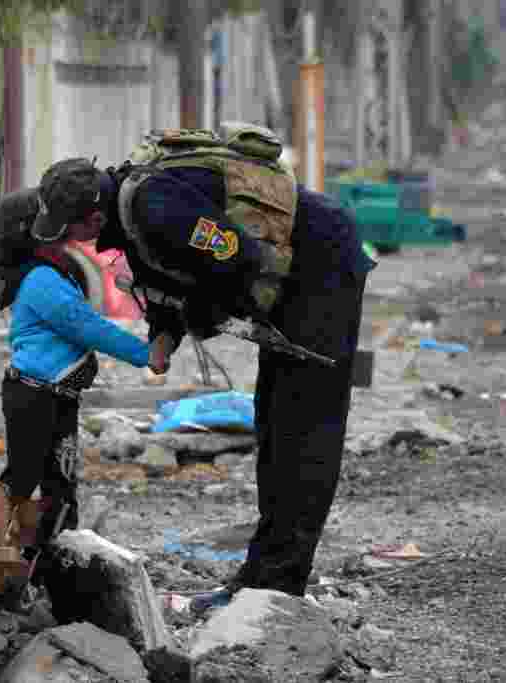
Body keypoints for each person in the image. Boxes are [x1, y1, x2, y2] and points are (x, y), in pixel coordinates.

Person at [29, 127, 377, 601]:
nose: (72, 244)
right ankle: (262, 578)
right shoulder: (128, 211)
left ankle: (279, 585)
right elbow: (170, 277)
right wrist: (164, 334)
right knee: (274, 419)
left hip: (321, 265)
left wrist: (202, 315)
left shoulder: (155, 208)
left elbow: (237, 255)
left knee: (304, 425)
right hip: (296, 275)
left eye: (70, 233)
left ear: (91, 219)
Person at [0, 158, 169, 553]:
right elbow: (87, 327)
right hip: (34, 397)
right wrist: (146, 354)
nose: (68, 240)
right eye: (56, 234)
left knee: (63, 477)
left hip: (57, 397)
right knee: (24, 476)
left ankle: (53, 551)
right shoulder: (40, 282)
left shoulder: (52, 276)